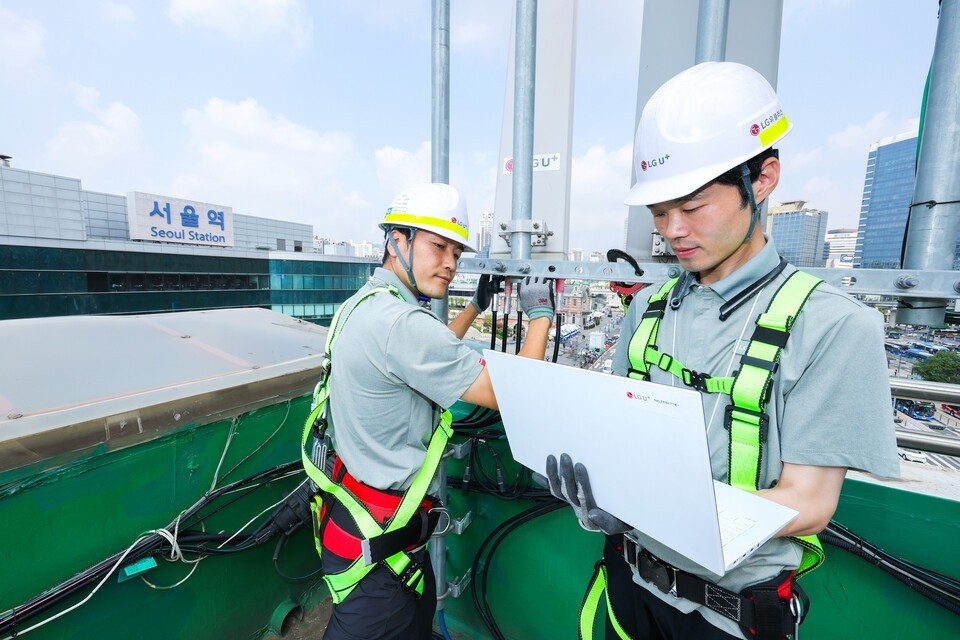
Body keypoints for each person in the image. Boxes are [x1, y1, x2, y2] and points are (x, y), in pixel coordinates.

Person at [543, 62, 899, 639]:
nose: (674, 230)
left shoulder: (831, 325)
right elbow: (618, 440)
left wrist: (668, 512)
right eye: (660, 212)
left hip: (729, 615)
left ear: (762, 179)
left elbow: (809, 502)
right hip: (628, 588)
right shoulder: (647, 310)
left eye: (694, 205)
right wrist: (603, 493)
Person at [300, 183, 555, 640]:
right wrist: (540, 316)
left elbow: (427, 357)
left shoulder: (364, 306)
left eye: (456, 252)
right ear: (397, 240)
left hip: (358, 526)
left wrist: (475, 306)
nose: (450, 263)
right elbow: (517, 392)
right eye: (438, 246)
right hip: (382, 561)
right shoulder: (402, 323)